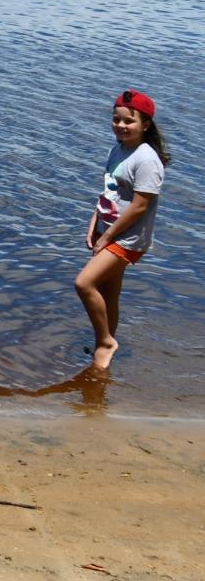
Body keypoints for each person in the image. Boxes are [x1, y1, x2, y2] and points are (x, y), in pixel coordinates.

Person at [74, 89, 170, 372]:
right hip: (109, 230)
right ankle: (103, 350)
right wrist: (94, 224)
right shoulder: (117, 149)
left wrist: (106, 237)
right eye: (117, 119)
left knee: (84, 283)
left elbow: (140, 206)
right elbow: (109, 192)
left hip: (128, 238)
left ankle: (105, 342)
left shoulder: (146, 160)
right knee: (108, 292)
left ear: (145, 124)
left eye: (129, 121)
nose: (121, 126)